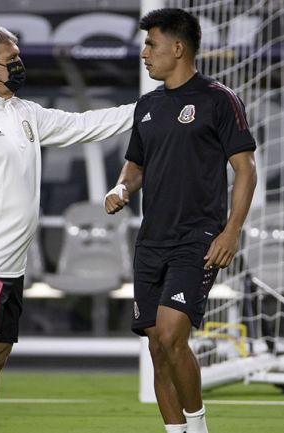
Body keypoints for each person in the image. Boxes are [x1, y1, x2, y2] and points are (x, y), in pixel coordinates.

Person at [0, 23, 134, 433]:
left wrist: (149, 109)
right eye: (13, 59)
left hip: (10, 262)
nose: (20, 65)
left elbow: (83, 125)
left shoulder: (23, 112)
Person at [104, 8, 257, 433]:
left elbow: (245, 169)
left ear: (178, 47)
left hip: (199, 237)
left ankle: (198, 425)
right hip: (152, 240)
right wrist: (121, 188)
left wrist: (232, 231)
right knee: (156, 345)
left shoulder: (218, 98)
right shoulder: (147, 106)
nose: (144, 54)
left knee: (172, 334)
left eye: (151, 44)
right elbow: (134, 167)